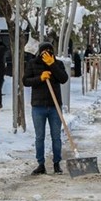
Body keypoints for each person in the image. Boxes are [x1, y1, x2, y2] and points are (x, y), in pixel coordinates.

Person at [23, 42, 69, 175]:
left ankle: (56, 163)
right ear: (40, 52)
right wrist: (40, 78)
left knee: (56, 136)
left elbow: (63, 79)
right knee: (39, 137)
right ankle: (41, 164)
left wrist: (52, 65)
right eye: (44, 51)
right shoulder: (33, 63)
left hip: (54, 106)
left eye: (50, 51)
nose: (47, 53)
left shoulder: (58, 64)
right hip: (38, 106)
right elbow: (26, 81)